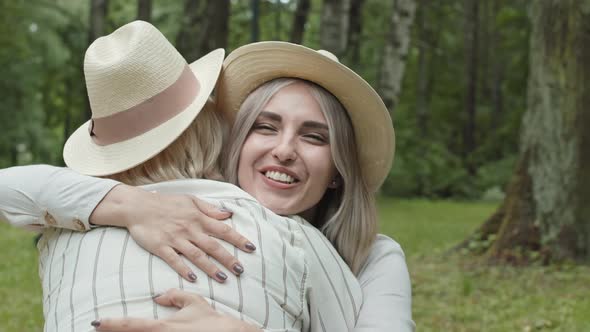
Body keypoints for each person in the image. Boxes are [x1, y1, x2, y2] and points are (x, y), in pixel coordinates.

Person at [1, 33, 414, 332]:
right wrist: (132, 206)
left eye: (314, 136)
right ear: (235, 140)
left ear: (340, 169)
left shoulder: (374, 257)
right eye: (265, 127)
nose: (285, 150)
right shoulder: (156, 211)